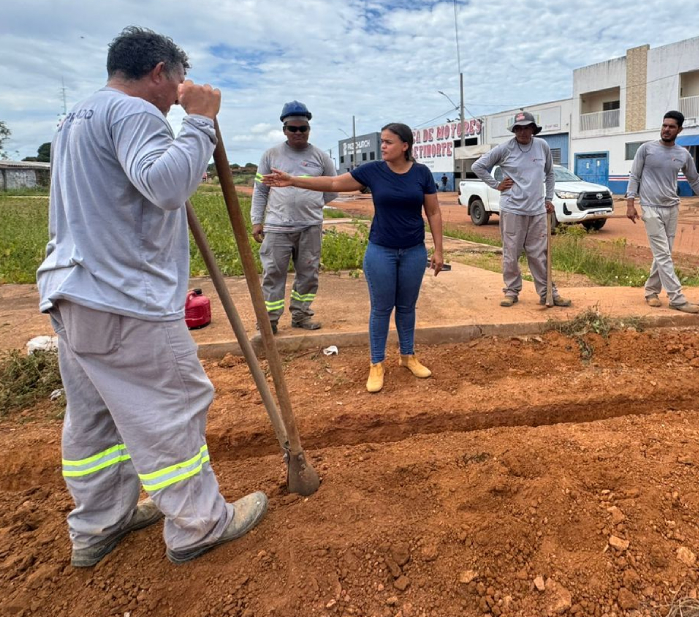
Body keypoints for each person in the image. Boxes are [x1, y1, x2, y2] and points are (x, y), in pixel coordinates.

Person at [36, 27, 267, 567]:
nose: (180, 92)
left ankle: (98, 526)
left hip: (74, 293)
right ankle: (199, 526)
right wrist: (201, 122)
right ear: (159, 71)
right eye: (179, 80)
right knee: (173, 409)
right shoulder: (136, 113)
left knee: (95, 419)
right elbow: (165, 186)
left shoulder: (76, 118)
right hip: (126, 299)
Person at [263, 123, 444, 393]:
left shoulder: (421, 173)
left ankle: (408, 356)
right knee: (381, 309)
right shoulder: (373, 171)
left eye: (388, 142)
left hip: (413, 251)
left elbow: (434, 212)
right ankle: (377, 364)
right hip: (381, 250)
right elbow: (335, 182)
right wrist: (293, 180)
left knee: (407, 307)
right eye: (381, 141)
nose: (382, 146)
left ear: (405, 146)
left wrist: (439, 250)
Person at [250, 101, 337, 334]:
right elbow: (260, 191)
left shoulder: (320, 157)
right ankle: (269, 322)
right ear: (284, 129)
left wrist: (313, 204)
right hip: (277, 228)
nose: (298, 133)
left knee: (308, 274)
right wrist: (257, 221)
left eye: (303, 128)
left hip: (310, 227)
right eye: (293, 128)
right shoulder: (271, 155)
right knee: (273, 274)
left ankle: (301, 315)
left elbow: (332, 187)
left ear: (309, 129)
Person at [626, 110, 699, 313]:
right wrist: (630, 203)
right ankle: (676, 298)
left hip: (672, 208)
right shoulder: (646, 149)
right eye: (664, 125)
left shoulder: (682, 154)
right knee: (663, 254)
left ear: (679, 129)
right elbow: (634, 176)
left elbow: (694, 179)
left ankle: (651, 291)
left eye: (671, 127)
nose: (666, 130)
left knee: (665, 254)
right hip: (650, 208)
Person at [471, 111, 569, 308]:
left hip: (537, 210)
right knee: (511, 253)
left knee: (539, 253)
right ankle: (511, 291)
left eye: (526, 128)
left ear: (533, 129)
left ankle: (548, 292)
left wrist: (549, 198)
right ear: (514, 130)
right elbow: (478, 166)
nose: (523, 132)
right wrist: (496, 184)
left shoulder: (542, 146)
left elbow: (550, 174)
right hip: (512, 209)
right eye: (519, 128)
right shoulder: (505, 148)